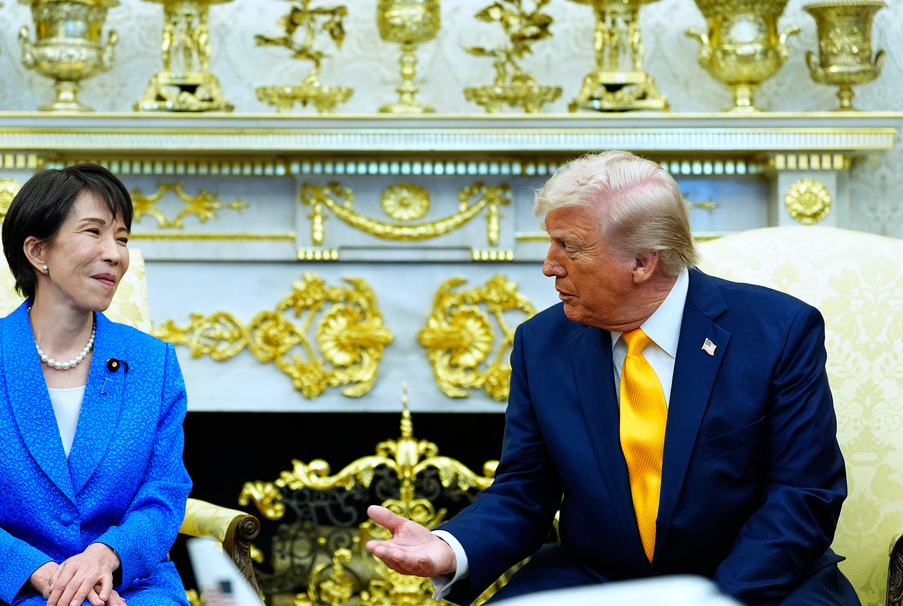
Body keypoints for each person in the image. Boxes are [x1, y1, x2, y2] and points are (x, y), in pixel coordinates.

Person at [366, 150, 858, 606]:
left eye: (569, 247)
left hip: (757, 579)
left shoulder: (776, 331)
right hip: (596, 578)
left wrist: (716, 601)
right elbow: (525, 489)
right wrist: (450, 548)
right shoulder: (542, 344)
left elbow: (803, 495)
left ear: (643, 261)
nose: (549, 266)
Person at [0, 164, 192, 606]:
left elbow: (164, 493)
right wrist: (49, 578)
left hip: (127, 585)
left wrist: (106, 557)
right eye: (94, 232)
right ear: (37, 251)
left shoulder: (153, 363)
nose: (115, 254)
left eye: (122, 238)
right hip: (4, 590)